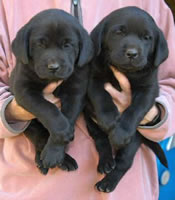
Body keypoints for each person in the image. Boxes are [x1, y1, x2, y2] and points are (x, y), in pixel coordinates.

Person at [0, 0, 175, 199]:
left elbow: (171, 83)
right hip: (30, 187)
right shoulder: (8, 4)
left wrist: (150, 114)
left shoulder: (151, 3)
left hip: (124, 190)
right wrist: (16, 111)